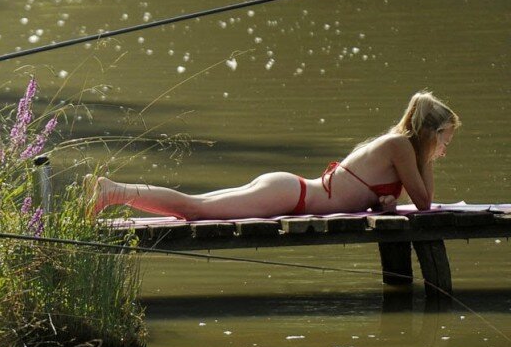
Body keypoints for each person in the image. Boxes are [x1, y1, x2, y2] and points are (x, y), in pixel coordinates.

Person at [87, 91, 460, 220]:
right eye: (444, 139)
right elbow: (425, 204)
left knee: (195, 205)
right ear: (429, 133)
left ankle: (114, 190)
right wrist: (427, 154)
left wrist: (383, 203)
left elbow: (396, 198)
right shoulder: (401, 146)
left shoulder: (399, 148)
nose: (445, 148)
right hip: (291, 194)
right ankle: (112, 191)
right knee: (193, 209)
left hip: (289, 190)